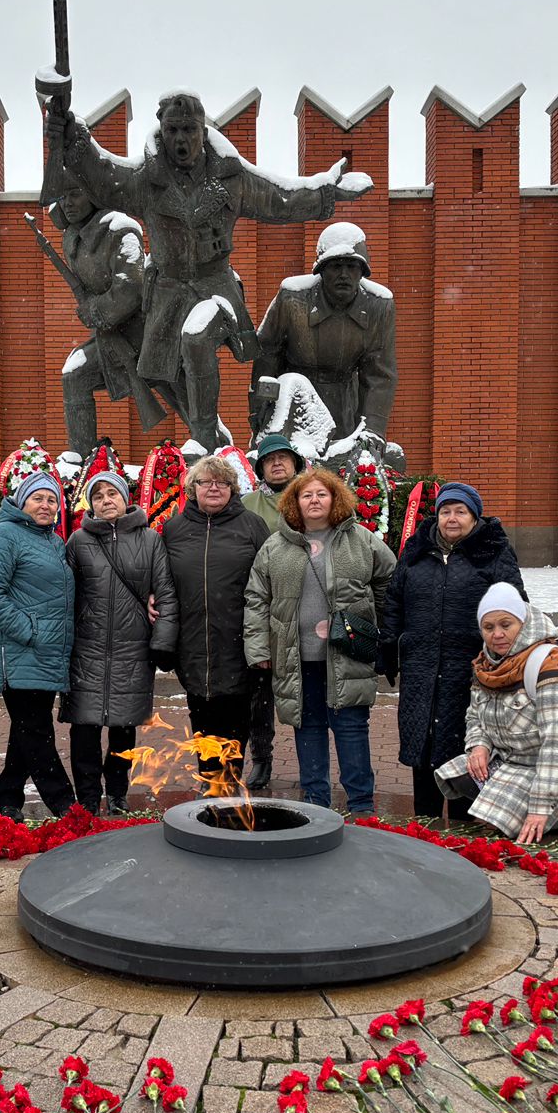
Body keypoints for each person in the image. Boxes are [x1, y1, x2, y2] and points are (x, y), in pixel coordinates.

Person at [48, 91, 370, 452]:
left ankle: (202, 442)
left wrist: (326, 193)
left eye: (189, 129)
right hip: (167, 295)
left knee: (197, 335)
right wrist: (72, 135)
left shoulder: (230, 176)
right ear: (163, 132)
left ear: (203, 131)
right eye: (172, 130)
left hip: (216, 289)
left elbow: (278, 198)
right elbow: (105, 176)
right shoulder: (146, 180)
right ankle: (214, 440)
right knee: (175, 380)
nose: (181, 139)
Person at [245, 467, 396, 814]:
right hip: (296, 658)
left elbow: (389, 582)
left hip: (348, 655)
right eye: (306, 495)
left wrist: (378, 628)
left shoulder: (361, 540)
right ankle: (316, 805)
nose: (314, 500)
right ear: (294, 502)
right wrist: (259, 648)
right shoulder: (275, 546)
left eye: (322, 494)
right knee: (308, 727)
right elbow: (257, 598)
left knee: (351, 728)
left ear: (335, 498)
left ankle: (361, 805)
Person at [379, 482, 526, 818]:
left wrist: (506, 657)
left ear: (475, 517)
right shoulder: (417, 551)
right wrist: (391, 645)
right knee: (423, 746)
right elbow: (394, 601)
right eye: (446, 511)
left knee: (466, 748)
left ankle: (465, 827)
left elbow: (516, 608)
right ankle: (424, 825)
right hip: (420, 667)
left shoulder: (493, 552)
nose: (452, 518)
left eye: (461, 511)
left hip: (470, 670)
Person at [437, 583, 558, 845]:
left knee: (526, 815)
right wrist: (479, 746)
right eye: (488, 627)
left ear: (522, 623)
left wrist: (540, 807)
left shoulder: (551, 665)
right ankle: (548, 824)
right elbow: (474, 715)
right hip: (521, 760)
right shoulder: (487, 665)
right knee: (464, 773)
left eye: (506, 624)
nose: (497, 634)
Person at [62, 472, 179, 813]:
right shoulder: (78, 541)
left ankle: (116, 792)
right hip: (87, 648)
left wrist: (162, 642)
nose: (106, 501)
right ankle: (87, 797)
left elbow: (165, 592)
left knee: (123, 728)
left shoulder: (150, 540)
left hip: (132, 647)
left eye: (111, 493)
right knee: (84, 727)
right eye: (98, 496)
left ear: (125, 498)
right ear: (91, 504)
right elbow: (63, 593)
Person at [161, 455, 270, 786]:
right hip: (192, 640)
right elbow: (160, 579)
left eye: (222, 482)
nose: (213, 488)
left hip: (238, 639)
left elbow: (269, 580)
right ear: (192, 488)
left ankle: (230, 783)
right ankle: (210, 782)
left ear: (232, 488)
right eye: (205, 482)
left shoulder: (252, 526)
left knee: (236, 714)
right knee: (201, 713)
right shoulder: (174, 529)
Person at [0, 471, 78, 822]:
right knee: (36, 730)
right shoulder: (6, 535)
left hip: (45, 653)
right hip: (19, 651)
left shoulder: (51, 540)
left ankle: (8, 798)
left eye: (51, 500)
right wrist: (30, 632)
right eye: (38, 498)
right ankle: (65, 805)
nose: (45, 505)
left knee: (27, 729)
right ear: (22, 502)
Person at [250, 222, 397, 454]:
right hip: (293, 396)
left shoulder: (378, 305)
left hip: (344, 400)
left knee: (342, 463)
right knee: (287, 461)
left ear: (362, 271)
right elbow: (267, 354)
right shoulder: (293, 298)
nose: (344, 275)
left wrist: (373, 429)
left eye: (352, 266)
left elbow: (379, 374)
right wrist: (260, 409)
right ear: (321, 270)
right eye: (335, 266)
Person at [49, 187, 154, 461]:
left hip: (147, 334)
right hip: (113, 333)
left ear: (93, 193)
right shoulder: (72, 238)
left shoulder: (121, 230)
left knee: (190, 407)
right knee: (74, 375)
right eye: (62, 197)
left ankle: (216, 447)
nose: (67, 203)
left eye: (74, 194)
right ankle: (81, 463)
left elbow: (131, 286)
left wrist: (94, 310)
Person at [239, 434, 306, 788]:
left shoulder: (311, 496)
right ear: (261, 468)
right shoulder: (247, 504)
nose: (277, 463)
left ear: (295, 463)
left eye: (283, 457)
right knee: (259, 693)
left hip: (306, 608)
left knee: (307, 693)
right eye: (269, 459)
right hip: (262, 607)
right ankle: (261, 758)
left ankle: (311, 765)